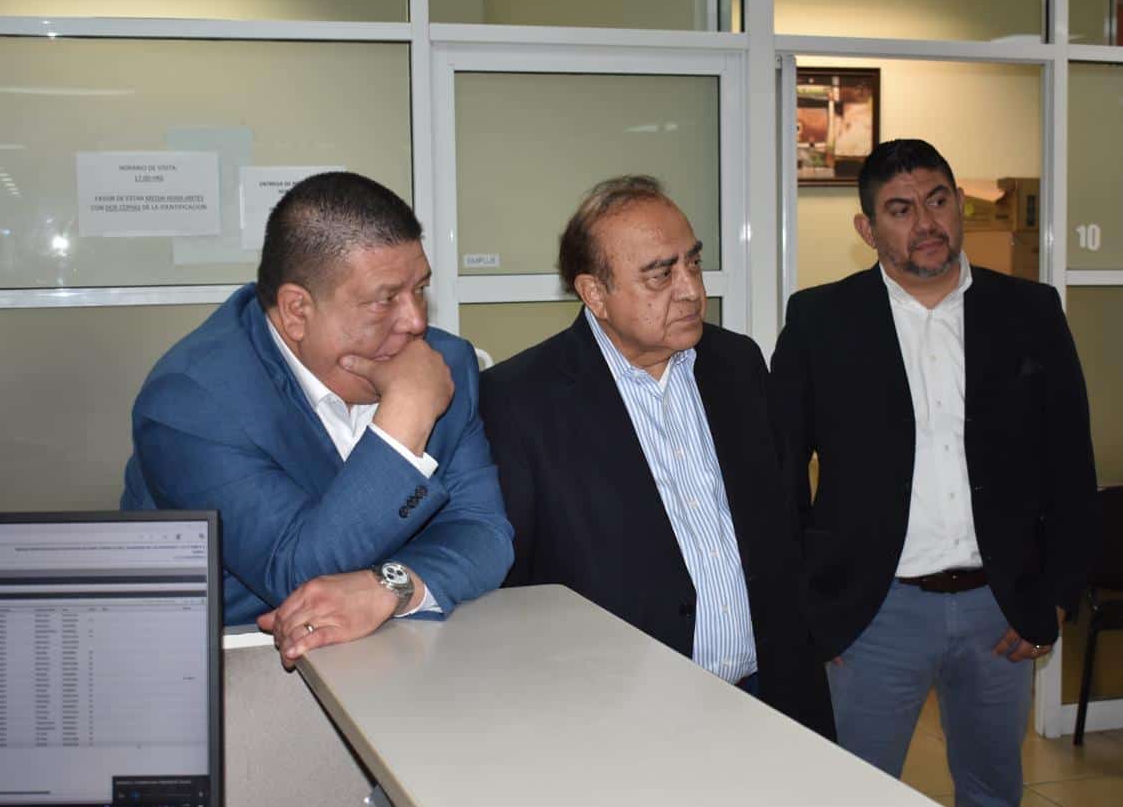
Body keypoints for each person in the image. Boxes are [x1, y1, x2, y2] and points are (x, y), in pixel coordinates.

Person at [770, 139, 1099, 807]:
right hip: (872, 613)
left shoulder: (1030, 312)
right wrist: (808, 606)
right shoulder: (820, 321)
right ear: (868, 230)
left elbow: (1070, 464)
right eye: (900, 209)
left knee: (994, 797)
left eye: (938, 200)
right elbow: (780, 471)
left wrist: (1056, 596)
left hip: (998, 609)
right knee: (855, 799)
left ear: (959, 205)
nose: (925, 222)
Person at [480, 176, 834, 739]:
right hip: (618, 722)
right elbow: (511, 584)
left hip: (768, 697)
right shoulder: (521, 400)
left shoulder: (737, 364)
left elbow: (786, 520)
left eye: (693, 263)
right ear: (595, 293)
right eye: (660, 275)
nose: (691, 289)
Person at [122, 171, 514, 665]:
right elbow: (297, 574)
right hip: (234, 662)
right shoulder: (192, 399)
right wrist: (406, 417)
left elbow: (484, 532)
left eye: (420, 288)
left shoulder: (443, 363)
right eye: (385, 299)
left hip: (404, 649)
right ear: (296, 311)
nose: (416, 320)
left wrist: (390, 587)